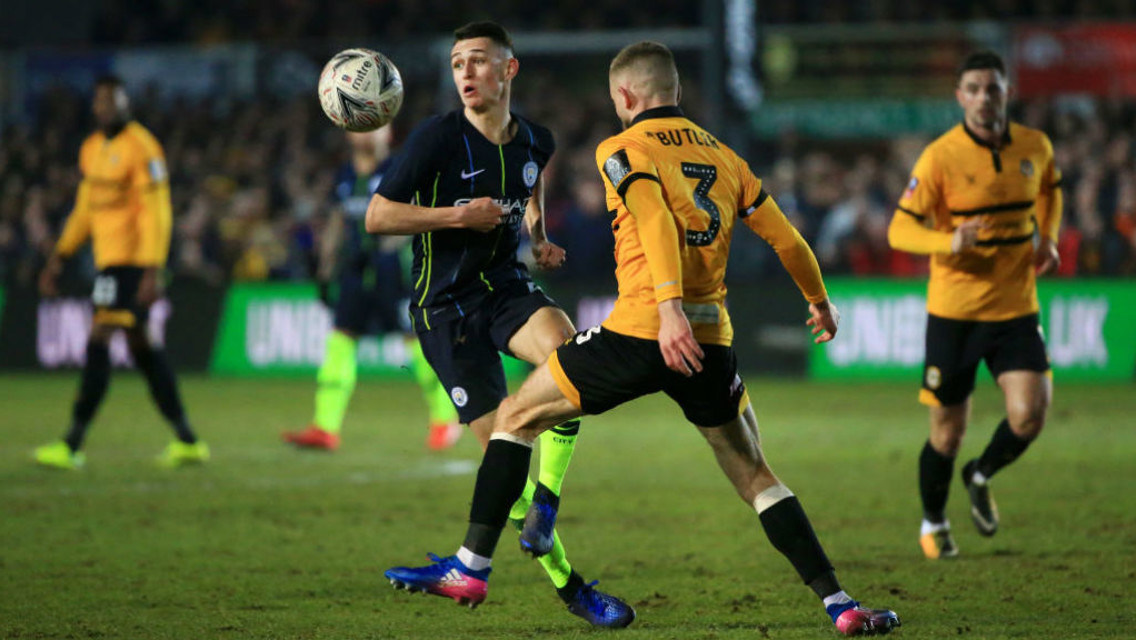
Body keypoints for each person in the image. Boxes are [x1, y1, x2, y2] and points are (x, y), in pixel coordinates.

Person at [385, 41, 901, 637]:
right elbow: (786, 238)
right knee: (757, 475)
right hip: (711, 343)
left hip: (642, 331)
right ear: (675, 93)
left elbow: (652, 216)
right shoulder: (725, 157)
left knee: (513, 419)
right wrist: (818, 300)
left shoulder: (622, 148)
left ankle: (471, 567)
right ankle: (839, 604)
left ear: (625, 97)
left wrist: (669, 308)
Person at [364, 22, 633, 627]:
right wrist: (457, 217)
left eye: (479, 61)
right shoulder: (437, 138)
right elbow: (378, 217)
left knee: (571, 358)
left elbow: (529, 188)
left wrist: (538, 236)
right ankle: (572, 589)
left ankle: (548, 501)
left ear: (509, 70)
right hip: (444, 307)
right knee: (501, 457)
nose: (466, 73)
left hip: (504, 287)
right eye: (458, 62)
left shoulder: (537, 140)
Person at [887, 51, 1062, 560]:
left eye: (993, 87)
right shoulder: (940, 157)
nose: (985, 96)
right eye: (974, 88)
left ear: (1007, 92)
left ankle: (980, 473)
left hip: (1015, 309)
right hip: (955, 315)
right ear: (960, 96)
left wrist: (1047, 237)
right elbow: (899, 229)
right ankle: (934, 521)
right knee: (946, 433)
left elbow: (1050, 190)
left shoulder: (1036, 146)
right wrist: (948, 242)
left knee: (1030, 416)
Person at [34, 75, 208, 470]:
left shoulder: (142, 147)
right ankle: (187, 439)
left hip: (130, 262)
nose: (105, 107)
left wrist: (152, 269)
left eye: (112, 101)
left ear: (126, 104)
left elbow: (157, 212)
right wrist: (60, 255)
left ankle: (72, 442)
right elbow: (85, 209)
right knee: (142, 348)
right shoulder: (92, 149)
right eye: (99, 101)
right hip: (108, 260)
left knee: (99, 339)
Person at [281, 126, 462, 451]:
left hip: (393, 271)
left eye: (376, 126)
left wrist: (390, 245)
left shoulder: (399, 169)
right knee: (340, 341)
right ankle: (325, 426)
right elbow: (338, 220)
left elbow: (415, 216)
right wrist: (324, 270)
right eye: (359, 127)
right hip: (354, 270)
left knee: (417, 345)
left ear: (389, 133)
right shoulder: (346, 174)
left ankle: (444, 419)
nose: (366, 133)